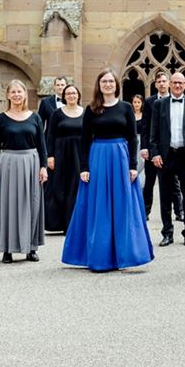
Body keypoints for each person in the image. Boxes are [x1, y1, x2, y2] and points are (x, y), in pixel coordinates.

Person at [62, 69, 154, 271]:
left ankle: (126, 254)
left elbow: (132, 138)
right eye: (104, 81)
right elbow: (85, 140)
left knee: (123, 206)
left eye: (111, 81)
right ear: (99, 85)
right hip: (98, 157)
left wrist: (132, 166)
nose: (108, 84)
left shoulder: (126, 108)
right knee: (98, 206)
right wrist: (84, 167)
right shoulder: (92, 109)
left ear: (116, 84)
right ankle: (100, 256)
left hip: (120, 158)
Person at [0, 79, 47, 264]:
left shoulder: (35, 117)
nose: (16, 95)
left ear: (24, 94)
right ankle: (8, 248)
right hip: (9, 163)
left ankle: (31, 247)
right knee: (9, 205)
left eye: (19, 92)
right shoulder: (0, 119)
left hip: (31, 161)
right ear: (8, 95)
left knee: (32, 205)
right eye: (13, 92)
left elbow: (42, 145)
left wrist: (43, 167)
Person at [148, 72, 185, 247]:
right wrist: (155, 153)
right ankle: (167, 232)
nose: (177, 86)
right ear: (169, 84)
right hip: (166, 156)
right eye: (174, 82)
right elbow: (153, 132)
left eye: (180, 83)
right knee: (165, 196)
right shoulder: (159, 104)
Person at [142, 71, 183, 222]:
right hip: (153, 149)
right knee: (149, 182)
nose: (161, 84)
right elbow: (146, 127)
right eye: (159, 81)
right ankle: (145, 211)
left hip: (170, 150)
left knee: (174, 184)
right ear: (155, 85)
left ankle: (179, 211)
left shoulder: (178, 101)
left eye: (164, 81)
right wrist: (145, 147)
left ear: (169, 83)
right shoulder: (149, 102)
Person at [44, 84, 84, 233]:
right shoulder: (57, 113)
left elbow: (89, 137)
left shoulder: (85, 113)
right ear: (64, 96)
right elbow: (50, 135)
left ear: (78, 95)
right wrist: (50, 156)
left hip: (79, 155)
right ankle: (59, 223)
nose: (71, 95)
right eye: (68, 93)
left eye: (74, 93)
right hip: (61, 154)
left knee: (76, 188)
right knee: (60, 187)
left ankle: (73, 224)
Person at [132, 94, 148, 191]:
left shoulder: (145, 116)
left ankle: (141, 186)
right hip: (131, 142)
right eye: (135, 102)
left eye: (138, 102)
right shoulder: (129, 114)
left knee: (142, 164)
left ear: (142, 104)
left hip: (142, 142)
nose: (136, 104)